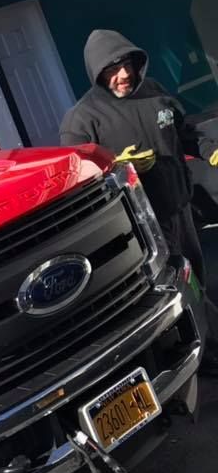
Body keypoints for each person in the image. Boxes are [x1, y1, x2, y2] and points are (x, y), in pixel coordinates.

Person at [59, 30, 218, 287]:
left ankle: (208, 322)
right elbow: (75, 180)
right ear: (97, 72)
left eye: (126, 66)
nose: (123, 75)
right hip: (140, 224)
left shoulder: (153, 92)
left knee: (197, 276)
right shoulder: (82, 119)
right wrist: (118, 164)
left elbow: (183, 133)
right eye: (113, 70)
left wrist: (210, 150)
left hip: (181, 208)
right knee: (168, 286)